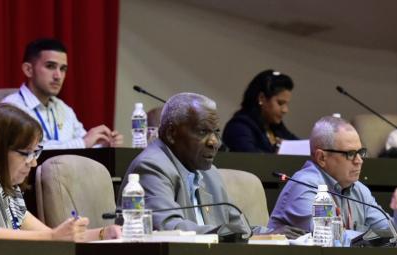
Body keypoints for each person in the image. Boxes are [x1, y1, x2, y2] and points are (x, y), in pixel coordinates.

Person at [117, 92, 305, 238]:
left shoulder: (209, 173)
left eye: (216, 132)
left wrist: (271, 233)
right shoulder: (151, 167)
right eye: (202, 131)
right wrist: (235, 234)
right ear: (171, 133)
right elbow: (170, 228)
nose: (214, 142)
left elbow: (239, 228)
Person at [0, 103, 121, 241]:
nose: (33, 163)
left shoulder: (9, 191)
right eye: (26, 153)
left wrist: (104, 233)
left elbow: (52, 235)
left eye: (35, 153)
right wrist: (52, 238)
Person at [268, 116, 397, 240]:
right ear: (322, 157)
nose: (359, 160)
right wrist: (391, 238)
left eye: (361, 152)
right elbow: (329, 237)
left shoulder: (359, 190)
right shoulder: (304, 185)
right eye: (350, 154)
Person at [2, 38, 123, 150]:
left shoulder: (63, 108)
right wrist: (83, 143)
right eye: (50, 66)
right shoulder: (12, 107)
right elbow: (34, 150)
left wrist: (103, 144)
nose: (58, 76)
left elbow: (85, 145)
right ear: (28, 70)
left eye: (63, 69)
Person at [222, 69, 297, 153]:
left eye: (287, 104)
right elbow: (252, 160)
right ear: (262, 98)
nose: (285, 110)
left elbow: (301, 146)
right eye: (280, 103)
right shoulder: (239, 127)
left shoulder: (276, 128)